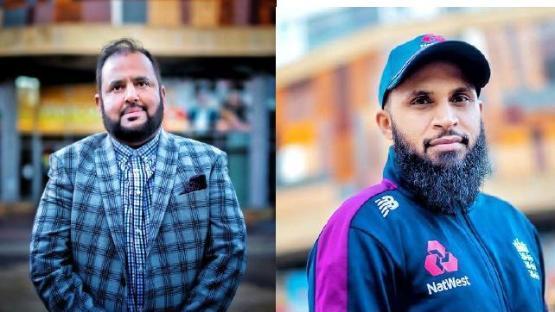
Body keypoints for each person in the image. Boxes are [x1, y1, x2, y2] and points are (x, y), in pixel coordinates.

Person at [307, 34, 546, 311]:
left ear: (479, 112)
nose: (447, 119)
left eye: (460, 98)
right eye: (422, 100)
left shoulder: (513, 222)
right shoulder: (363, 229)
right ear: (386, 124)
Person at [30, 38, 247, 311]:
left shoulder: (208, 163)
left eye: (142, 83)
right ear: (99, 103)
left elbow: (229, 253)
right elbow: (47, 262)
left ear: (162, 95)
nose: (131, 95)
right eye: (117, 87)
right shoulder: (68, 166)